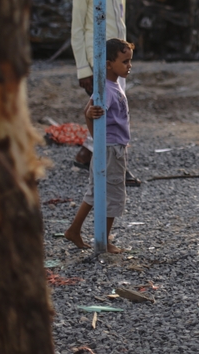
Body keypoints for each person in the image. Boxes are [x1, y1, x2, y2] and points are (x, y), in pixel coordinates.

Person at [70, 0, 138, 185]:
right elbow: (77, 29)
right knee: (105, 109)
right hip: (97, 57)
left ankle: (88, 156)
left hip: (119, 57)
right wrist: (83, 69)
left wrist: (126, 53)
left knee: (117, 108)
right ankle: (112, 165)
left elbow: (120, 19)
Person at [64, 38, 135, 254]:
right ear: (109, 64)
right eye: (125, 61)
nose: (129, 66)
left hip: (109, 147)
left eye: (130, 61)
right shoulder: (107, 90)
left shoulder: (110, 86)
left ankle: (74, 230)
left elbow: (88, 110)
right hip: (110, 150)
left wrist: (96, 135)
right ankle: (103, 241)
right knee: (112, 193)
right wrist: (98, 137)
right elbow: (90, 112)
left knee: (95, 192)